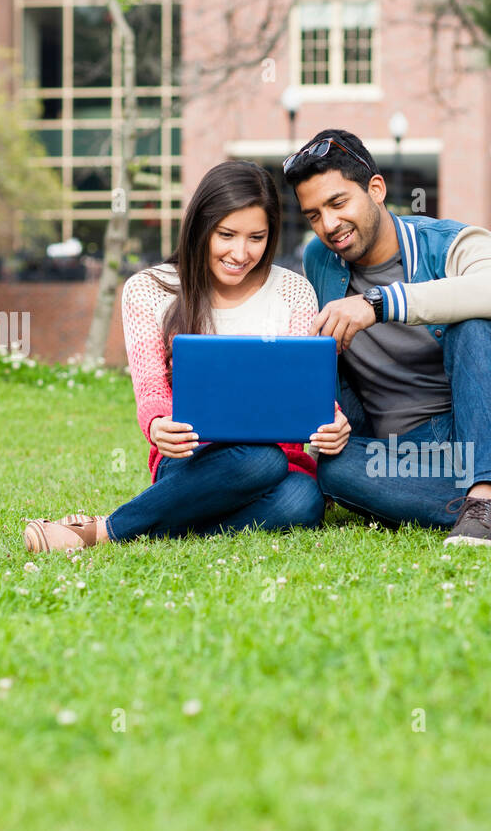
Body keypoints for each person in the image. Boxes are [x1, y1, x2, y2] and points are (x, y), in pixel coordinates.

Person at [24, 161, 348, 554]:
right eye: (226, 234)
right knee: (260, 462)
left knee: (303, 501)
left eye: (256, 237)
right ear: (200, 227)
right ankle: (107, 530)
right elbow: (151, 390)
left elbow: (301, 385)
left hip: (281, 459)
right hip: (191, 457)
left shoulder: (293, 291)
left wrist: (329, 419)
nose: (240, 253)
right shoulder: (149, 290)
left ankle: (165, 522)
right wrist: (158, 424)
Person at [283, 130, 491, 544]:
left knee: (474, 325)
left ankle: (490, 494)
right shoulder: (320, 260)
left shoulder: (450, 242)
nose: (329, 225)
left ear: (376, 189)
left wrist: (380, 304)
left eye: (338, 203)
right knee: (331, 468)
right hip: (415, 458)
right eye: (313, 215)